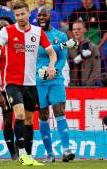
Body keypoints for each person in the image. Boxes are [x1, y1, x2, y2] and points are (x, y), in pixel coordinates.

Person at [0, 2, 57, 166]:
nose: (20, 18)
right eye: (17, 15)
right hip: (12, 83)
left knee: (29, 120)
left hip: (30, 84)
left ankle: (28, 155)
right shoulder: (7, 31)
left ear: (28, 13)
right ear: (15, 16)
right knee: (20, 115)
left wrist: (51, 66)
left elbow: (52, 53)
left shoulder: (37, 32)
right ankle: (21, 154)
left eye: (23, 14)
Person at [36, 6, 76, 163]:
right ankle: (49, 153)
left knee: (59, 111)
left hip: (55, 79)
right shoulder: (34, 35)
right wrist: (62, 45)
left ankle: (66, 150)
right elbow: (42, 51)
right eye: (39, 15)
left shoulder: (60, 35)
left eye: (44, 15)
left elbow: (62, 58)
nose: (41, 18)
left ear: (49, 16)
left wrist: (55, 71)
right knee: (43, 115)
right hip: (39, 80)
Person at [0, 16, 17, 160]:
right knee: (7, 120)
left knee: (23, 119)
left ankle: (22, 149)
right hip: (5, 89)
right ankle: (13, 153)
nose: (3, 29)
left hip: (22, 86)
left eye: (5, 26)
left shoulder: (20, 44)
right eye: (0, 28)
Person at [68, 20, 102, 86]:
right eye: (74, 29)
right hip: (72, 87)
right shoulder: (69, 47)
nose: (76, 31)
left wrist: (88, 85)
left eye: (79, 29)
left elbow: (96, 69)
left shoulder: (93, 48)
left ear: (85, 30)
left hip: (88, 87)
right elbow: (66, 66)